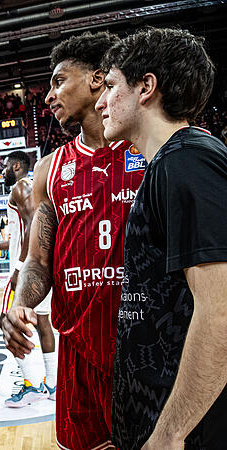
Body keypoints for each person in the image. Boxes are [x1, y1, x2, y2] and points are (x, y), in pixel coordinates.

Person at [0, 32, 144, 450]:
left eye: (59, 81)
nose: (48, 96)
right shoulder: (50, 169)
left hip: (146, 346)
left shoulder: (151, 149)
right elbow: (38, 261)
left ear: (98, 79)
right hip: (79, 352)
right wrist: (22, 304)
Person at [96, 28, 227, 450]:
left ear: (146, 87)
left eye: (112, 86)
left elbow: (221, 311)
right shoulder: (173, 162)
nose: (101, 102)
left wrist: (169, 435)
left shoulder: (187, 160)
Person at [0, 151, 57, 407]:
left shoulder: (20, 186)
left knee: (8, 321)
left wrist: (19, 267)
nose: (1, 171)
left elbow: (31, 225)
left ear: (16, 166)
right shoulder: (32, 187)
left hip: (27, 268)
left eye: (4, 167)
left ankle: (32, 385)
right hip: (42, 267)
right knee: (43, 323)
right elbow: (22, 233)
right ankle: (53, 384)